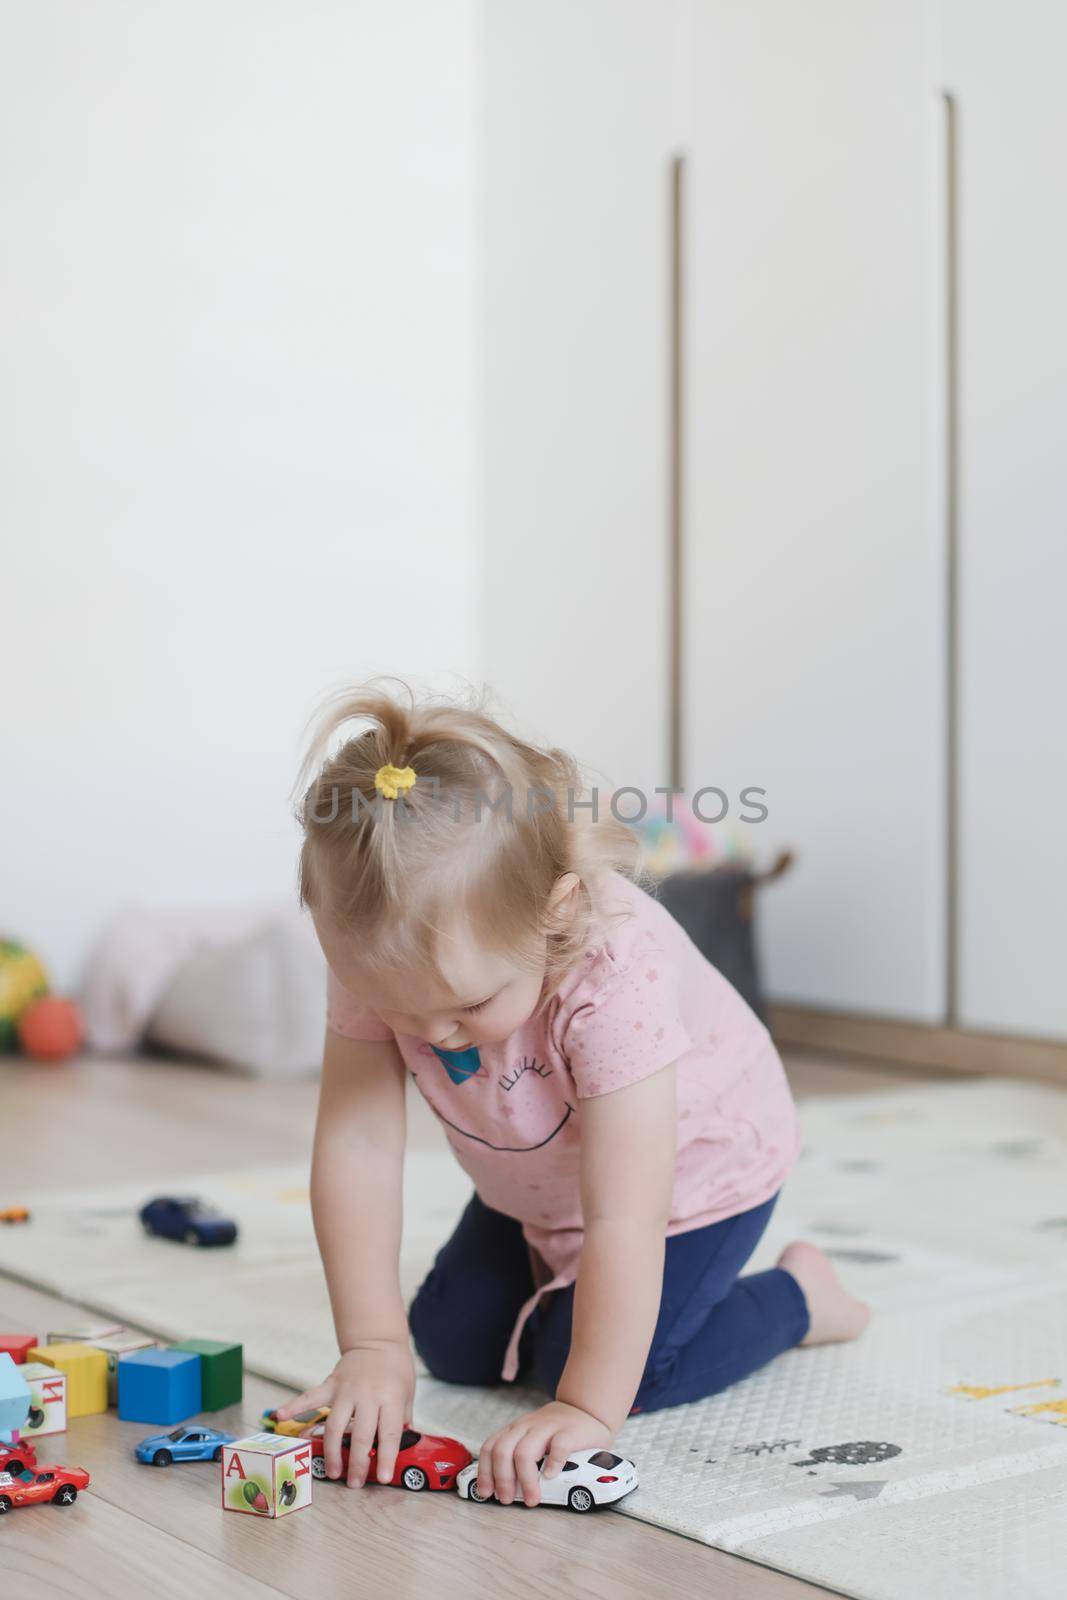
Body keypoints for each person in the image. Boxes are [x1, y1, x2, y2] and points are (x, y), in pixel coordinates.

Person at [275, 683, 868, 1505]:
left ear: (552, 917)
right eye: (399, 1010)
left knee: (609, 1371)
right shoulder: (386, 966)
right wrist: (371, 1346)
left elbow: (628, 1213)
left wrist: (587, 1406)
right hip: (541, 1178)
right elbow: (357, 1145)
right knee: (449, 1347)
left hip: (693, 1174)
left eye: (468, 1007)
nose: (430, 1035)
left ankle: (802, 1298)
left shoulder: (613, 975)